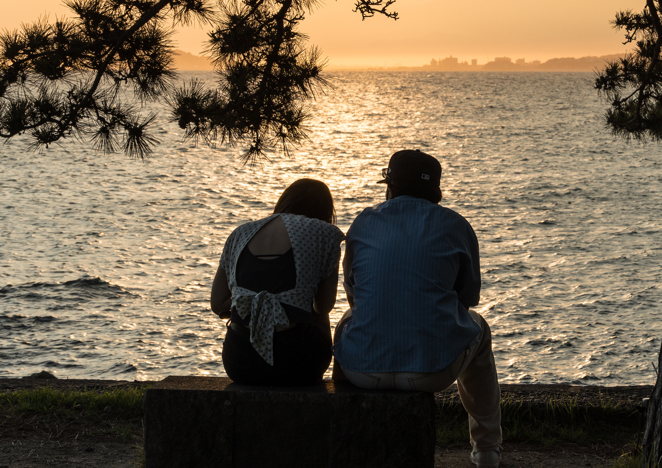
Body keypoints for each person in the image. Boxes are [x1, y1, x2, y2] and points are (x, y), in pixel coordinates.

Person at [333, 150, 501, 468]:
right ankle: (486, 449)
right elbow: (467, 299)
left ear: (391, 186)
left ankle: (342, 433)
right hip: (432, 371)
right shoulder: (456, 225)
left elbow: (354, 294)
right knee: (479, 327)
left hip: (363, 371)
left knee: (345, 323)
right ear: (435, 189)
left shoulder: (364, 221)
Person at [211, 178, 343, 385]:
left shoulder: (239, 233)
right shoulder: (325, 233)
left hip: (238, 361)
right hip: (297, 363)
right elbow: (324, 306)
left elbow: (217, 303)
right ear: (326, 211)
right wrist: (282, 302)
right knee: (317, 311)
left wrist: (255, 301)